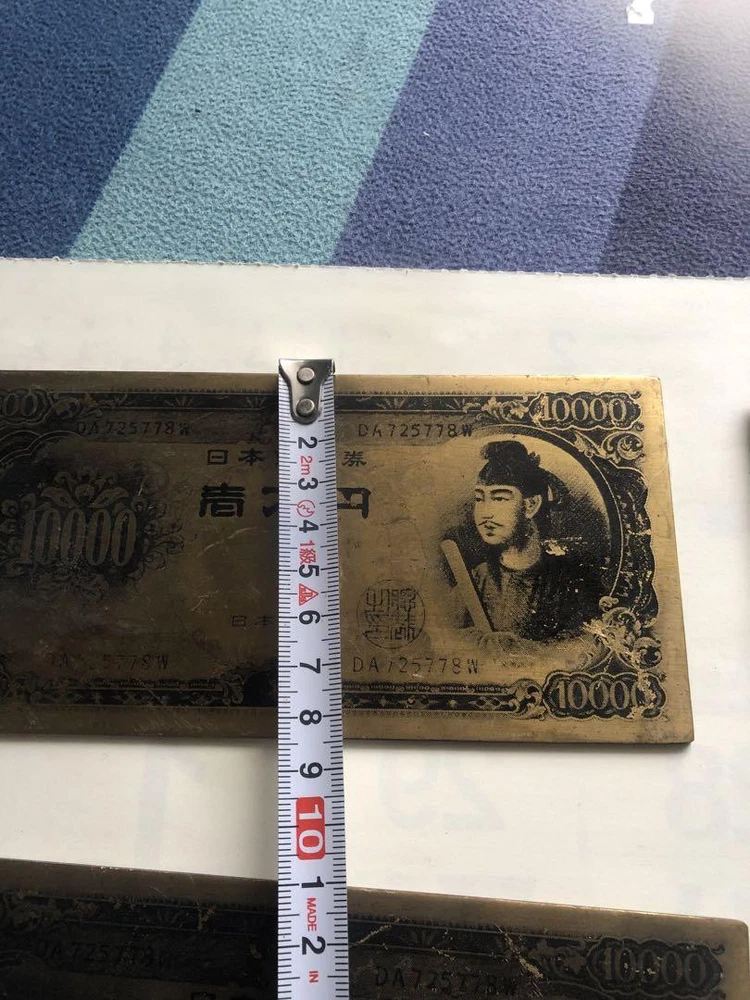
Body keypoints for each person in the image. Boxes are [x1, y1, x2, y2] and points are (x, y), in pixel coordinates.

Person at [460, 440, 602, 642]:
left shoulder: (571, 584)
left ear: (531, 505)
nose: (485, 513)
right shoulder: (475, 580)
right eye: (479, 499)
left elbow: (584, 643)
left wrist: (519, 649)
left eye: (499, 498)